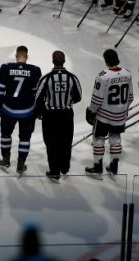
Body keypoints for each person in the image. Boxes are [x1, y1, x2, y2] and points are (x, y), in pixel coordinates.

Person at [0, 46, 42, 175]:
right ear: (26, 57)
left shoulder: (6, 68)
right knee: (25, 138)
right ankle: (21, 164)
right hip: (27, 111)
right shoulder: (35, 70)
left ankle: (5, 160)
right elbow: (37, 93)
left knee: (5, 135)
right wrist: (37, 109)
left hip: (8, 110)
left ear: (16, 56)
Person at [85, 49, 132, 177]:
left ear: (106, 60)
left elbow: (97, 99)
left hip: (104, 116)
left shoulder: (103, 76)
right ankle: (114, 166)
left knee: (98, 138)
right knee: (115, 138)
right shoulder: (127, 73)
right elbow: (130, 97)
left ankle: (98, 166)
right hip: (120, 116)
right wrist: (123, 110)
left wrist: (91, 111)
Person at [36, 50, 82, 182]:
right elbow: (78, 96)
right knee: (66, 141)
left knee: (51, 142)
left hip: (50, 115)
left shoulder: (46, 78)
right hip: (66, 114)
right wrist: (67, 103)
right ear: (64, 61)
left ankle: (54, 171)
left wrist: (40, 112)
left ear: (52, 61)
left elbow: (38, 97)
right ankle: (65, 167)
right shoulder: (72, 78)